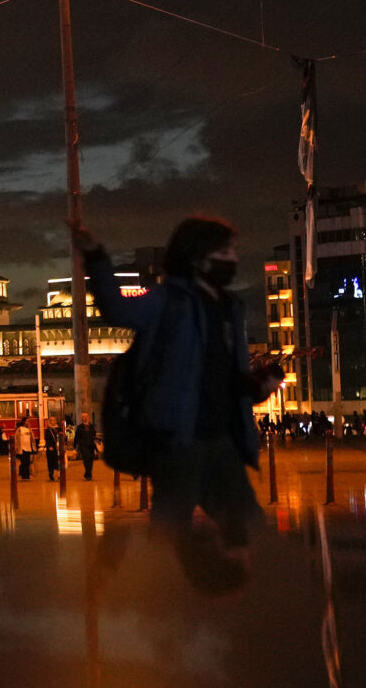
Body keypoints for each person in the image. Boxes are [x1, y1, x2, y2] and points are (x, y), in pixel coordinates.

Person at [75, 214, 281, 559]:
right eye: (226, 251)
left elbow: (224, 375)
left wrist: (259, 385)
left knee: (248, 530)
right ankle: (173, 600)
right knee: (170, 535)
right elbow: (118, 310)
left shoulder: (230, 308)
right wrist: (96, 257)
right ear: (199, 258)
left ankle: (233, 592)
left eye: (234, 250)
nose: (233, 259)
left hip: (222, 440)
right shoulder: (167, 300)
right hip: (177, 442)